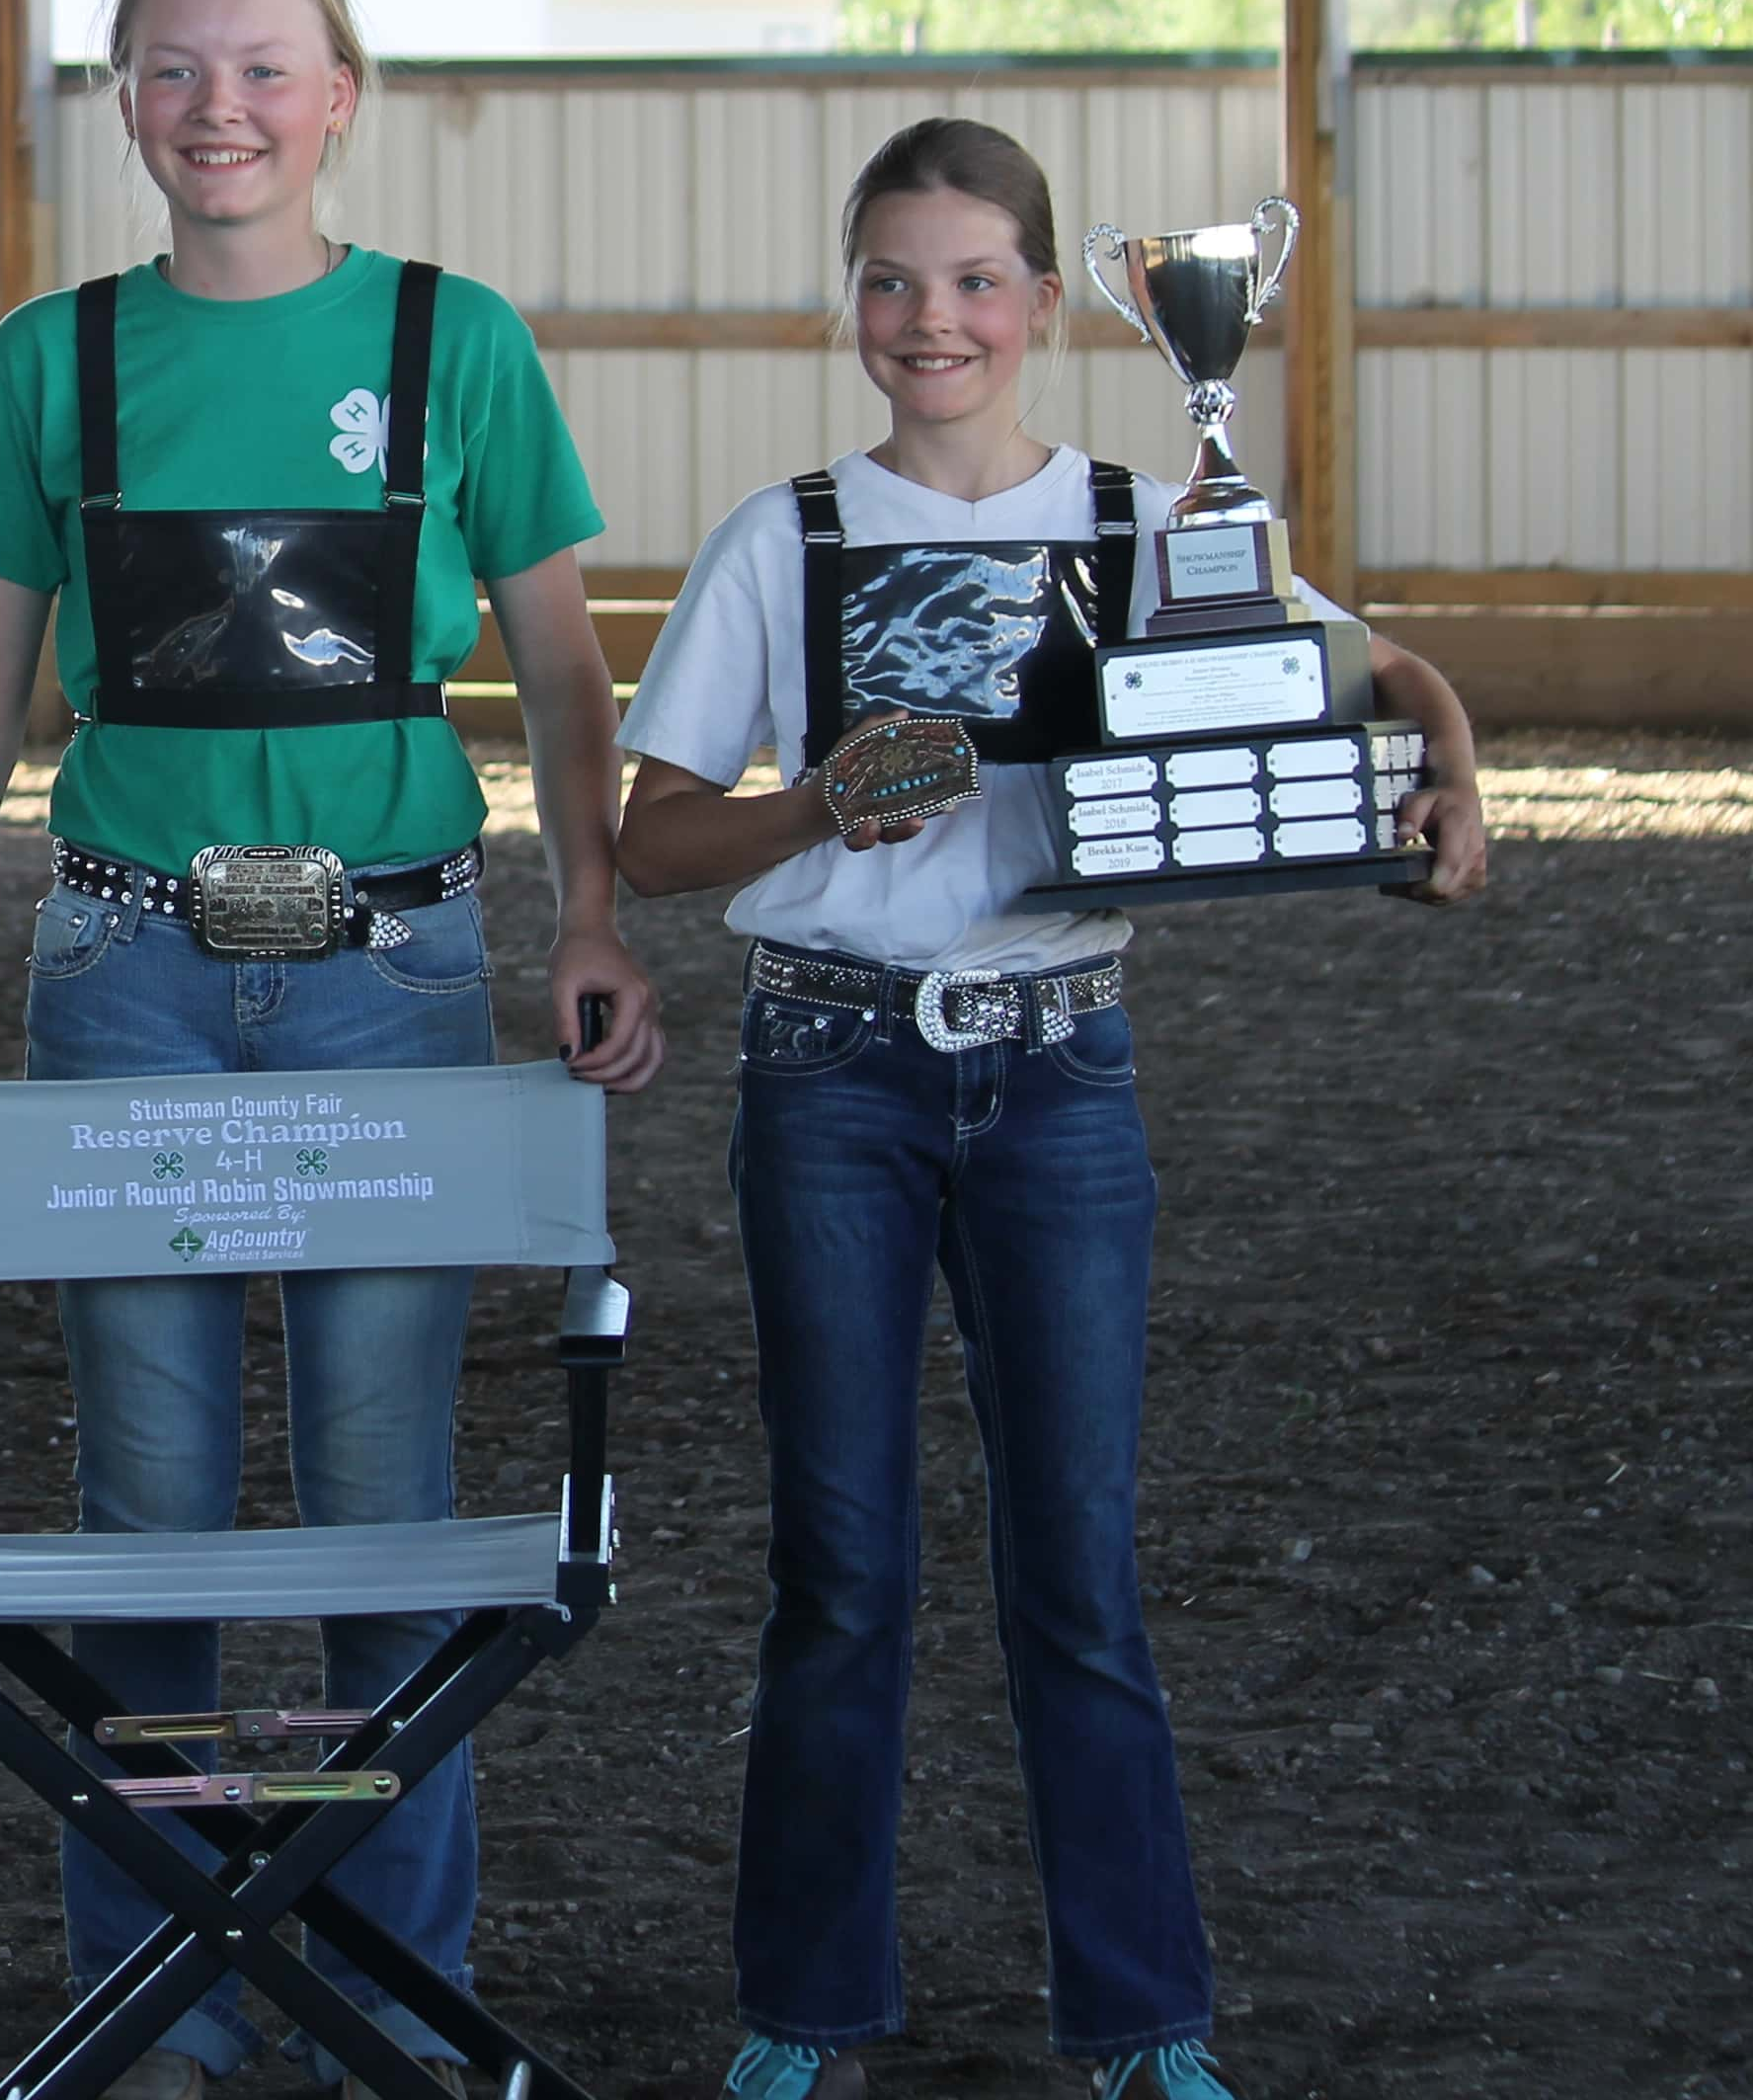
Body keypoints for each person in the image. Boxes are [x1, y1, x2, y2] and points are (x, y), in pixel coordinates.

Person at [0, 0, 666, 2100]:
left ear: (342, 93)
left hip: (392, 965)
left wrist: (591, 912)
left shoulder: (459, 344)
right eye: (178, 70)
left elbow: (566, 665)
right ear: (125, 103)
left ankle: (390, 1988)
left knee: (389, 1491)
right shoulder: (52, 362)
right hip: (125, 966)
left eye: (265, 68)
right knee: (152, 1499)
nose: (223, 110)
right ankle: (161, 1987)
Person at [611, 117, 1487, 2100]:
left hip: (1061, 1059)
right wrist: (818, 800)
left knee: (1077, 1560)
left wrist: (1453, 766)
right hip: (832, 1067)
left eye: (978, 279)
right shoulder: (787, 539)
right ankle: (805, 2006)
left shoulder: (1138, 517)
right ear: (852, 302)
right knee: (840, 1560)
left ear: (1045, 302)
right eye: (895, 280)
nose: (936, 318)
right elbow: (654, 836)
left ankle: (1146, 2017)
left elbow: (1384, 669)